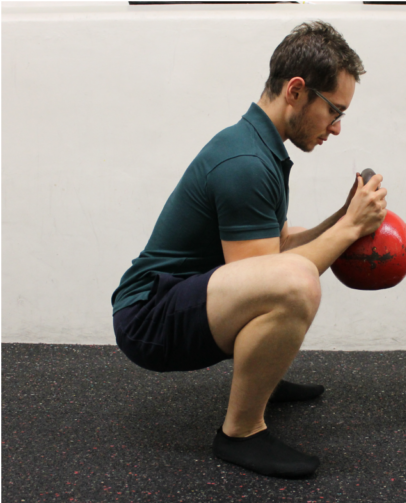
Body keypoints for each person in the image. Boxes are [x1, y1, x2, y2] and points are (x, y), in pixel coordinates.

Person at [111, 21, 388, 479]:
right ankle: (241, 432)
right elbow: (272, 276)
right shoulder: (245, 163)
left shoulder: (257, 144)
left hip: (178, 298)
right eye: (334, 111)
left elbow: (275, 245)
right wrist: (349, 229)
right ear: (296, 91)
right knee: (296, 283)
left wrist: (343, 220)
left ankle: (262, 377)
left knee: (291, 260)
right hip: (149, 318)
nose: (336, 129)